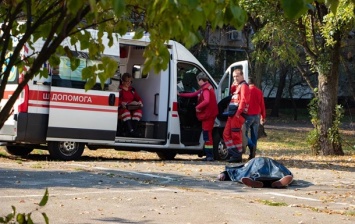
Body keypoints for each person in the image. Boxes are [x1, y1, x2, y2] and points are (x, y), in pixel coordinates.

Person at [178, 72, 218, 161]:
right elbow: (193, 94)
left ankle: (209, 156)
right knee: (207, 136)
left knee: (207, 136)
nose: (197, 82)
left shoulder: (206, 89)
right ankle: (209, 155)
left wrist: (198, 107)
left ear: (200, 80)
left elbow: (206, 101)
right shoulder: (205, 88)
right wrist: (180, 94)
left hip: (208, 116)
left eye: (198, 80)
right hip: (209, 115)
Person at [223, 69, 250, 163]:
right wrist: (233, 85)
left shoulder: (244, 86)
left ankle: (237, 155)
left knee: (235, 134)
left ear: (242, 75)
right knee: (226, 134)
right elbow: (233, 93)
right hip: (232, 114)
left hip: (237, 114)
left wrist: (238, 113)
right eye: (234, 76)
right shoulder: (238, 86)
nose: (235, 78)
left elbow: (243, 100)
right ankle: (233, 153)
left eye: (237, 76)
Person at [217, 157, 293, 188]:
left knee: (252, 172)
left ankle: (255, 181)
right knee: (276, 172)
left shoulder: (251, 163)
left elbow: (236, 170)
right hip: (272, 170)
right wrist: (289, 174)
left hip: (256, 167)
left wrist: (224, 173)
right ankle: (278, 181)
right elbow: (282, 168)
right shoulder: (271, 162)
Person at [244, 77, 266, 160]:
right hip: (257, 115)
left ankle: (251, 145)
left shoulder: (247, 91)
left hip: (248, 115)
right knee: (254, 135)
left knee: (244, 134)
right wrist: (263, 116)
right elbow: (262, 105)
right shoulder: (259, 92)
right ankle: (252, 154)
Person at [118, 73, 143, 137]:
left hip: (132, 108)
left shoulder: (132, 90)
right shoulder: (119, 90)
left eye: (130, 81)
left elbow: (138, 98)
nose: (129, 83)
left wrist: (139, 102)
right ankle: (131, 131)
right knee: (126, 112)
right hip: (122, 108)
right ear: (122, 81)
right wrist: (123, 103)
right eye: (127, 81)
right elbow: (117, 100)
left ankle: (132, 131)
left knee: (138, 112)